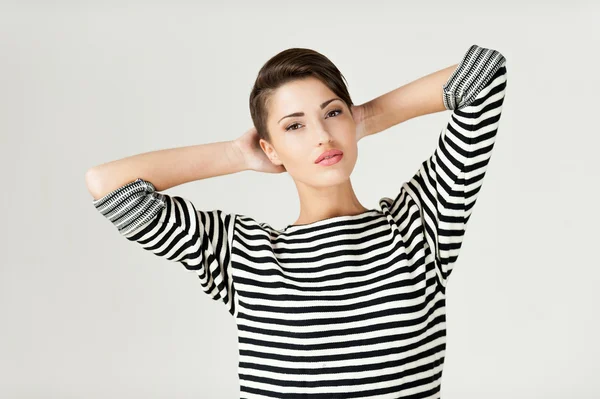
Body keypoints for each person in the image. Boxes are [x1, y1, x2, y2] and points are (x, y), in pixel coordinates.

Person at [86, 43, 508, 398]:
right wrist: (236, 154)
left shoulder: (420, 226)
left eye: (332, 113)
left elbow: (484, 75)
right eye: (294, 126)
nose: (322, 136)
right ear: (270, 148)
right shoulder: (242, 254)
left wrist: (367, 117)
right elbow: (107, 185)